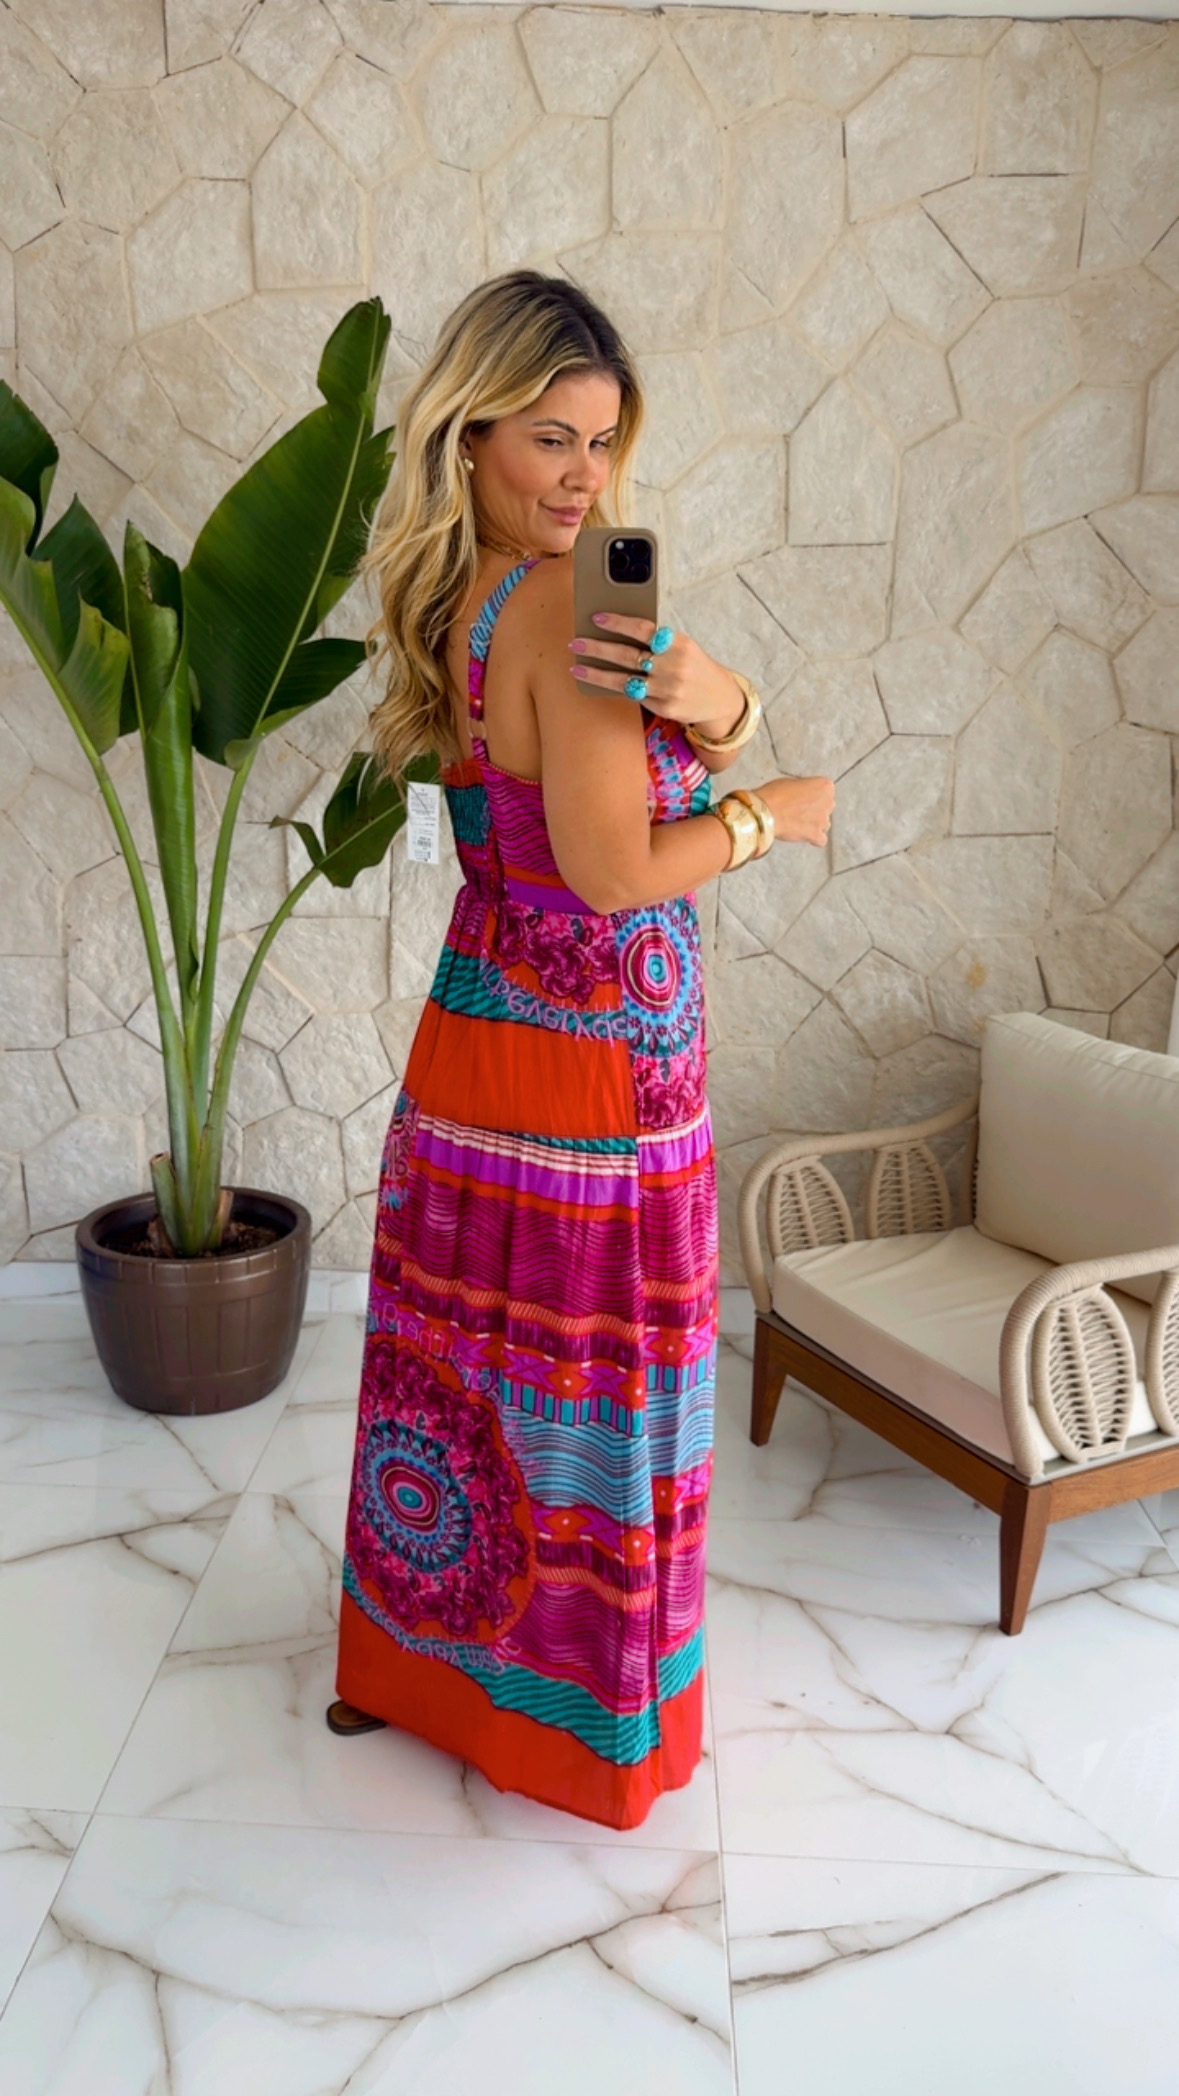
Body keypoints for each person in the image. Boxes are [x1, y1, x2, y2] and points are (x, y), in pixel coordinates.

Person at [328, 269, 834, 1829]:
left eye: (602, 442)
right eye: (550, 438)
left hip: (477, 1040)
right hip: (603, 1071)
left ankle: (417, 1675)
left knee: (464, 1378)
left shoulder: (460, 591)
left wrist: (721, 699)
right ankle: (580, 1739)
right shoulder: (572, 594)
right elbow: (618, 869)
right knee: (592, 1405)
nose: (582, 476)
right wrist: (772, 812)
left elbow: (580, 785)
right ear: (470, 433)